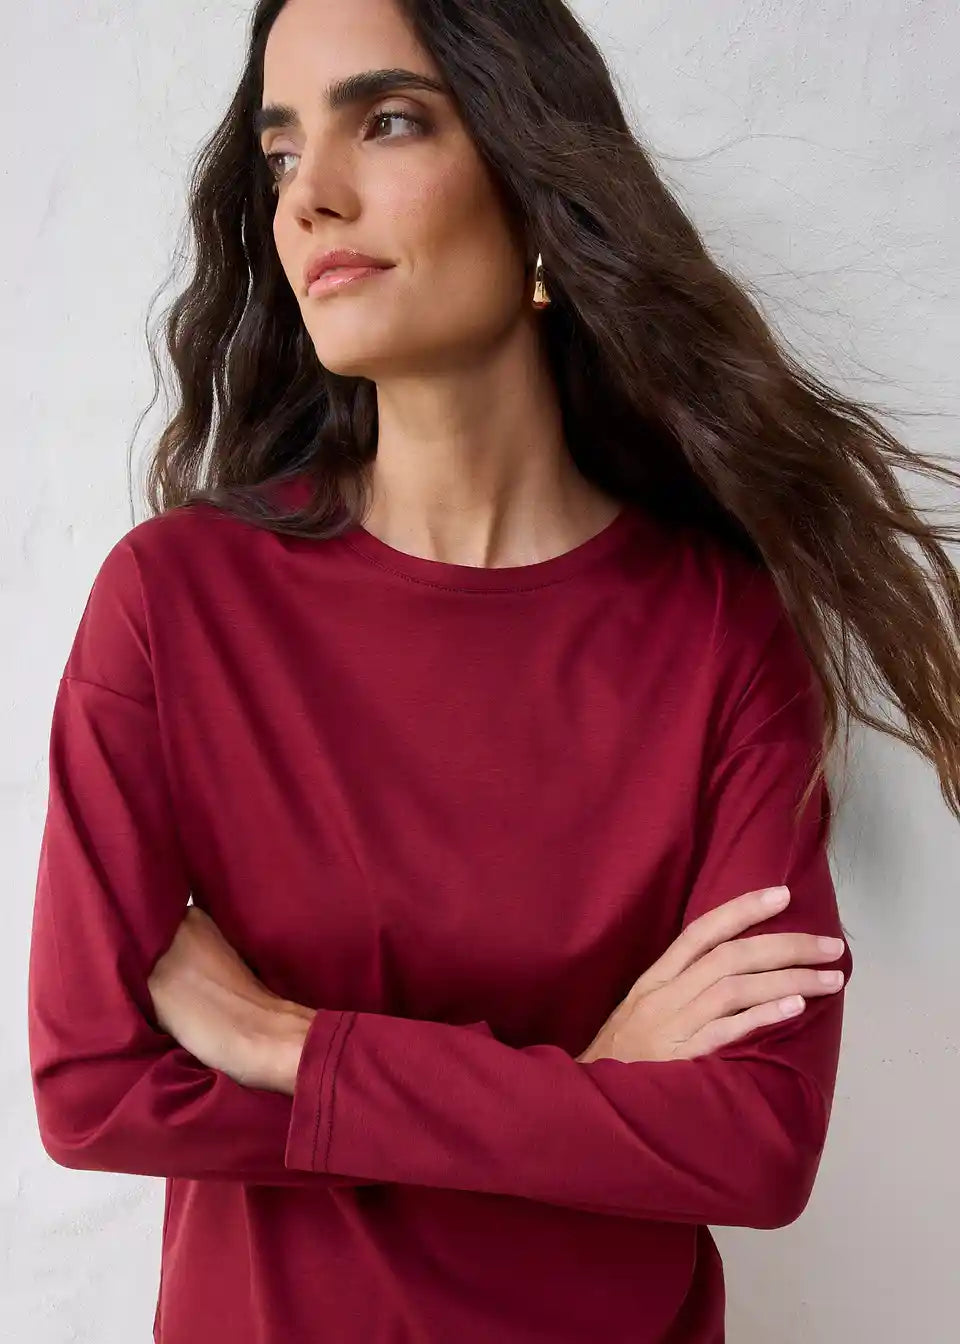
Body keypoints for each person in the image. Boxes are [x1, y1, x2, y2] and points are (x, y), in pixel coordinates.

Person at [26, 1, 960, 1342]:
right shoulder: (177, 607)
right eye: (282, 154)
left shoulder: (718, 632)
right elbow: (94, 1087)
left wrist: (296, 1047)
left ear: (533, 190)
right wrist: (590, 1093)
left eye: (388, 121)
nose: (309, 197)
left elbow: (754, 1144)